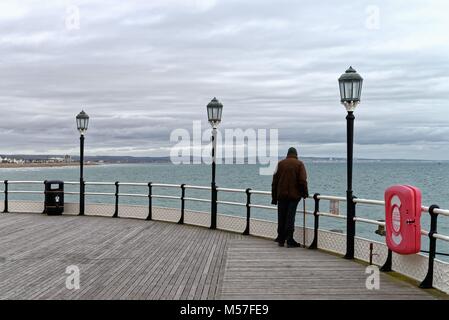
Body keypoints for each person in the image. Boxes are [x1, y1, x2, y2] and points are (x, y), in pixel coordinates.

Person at [271, 147, 309, 248]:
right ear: (296, 154)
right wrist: (305, 193)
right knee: (290, 217)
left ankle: (281, 239)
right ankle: (290, 239)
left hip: (281, 196)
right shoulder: (299, 164)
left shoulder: (280, 164)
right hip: (294, 196)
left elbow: (274, 182)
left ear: (287, 154)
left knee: (281, 217)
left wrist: (274, 198)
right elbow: (302, 181)